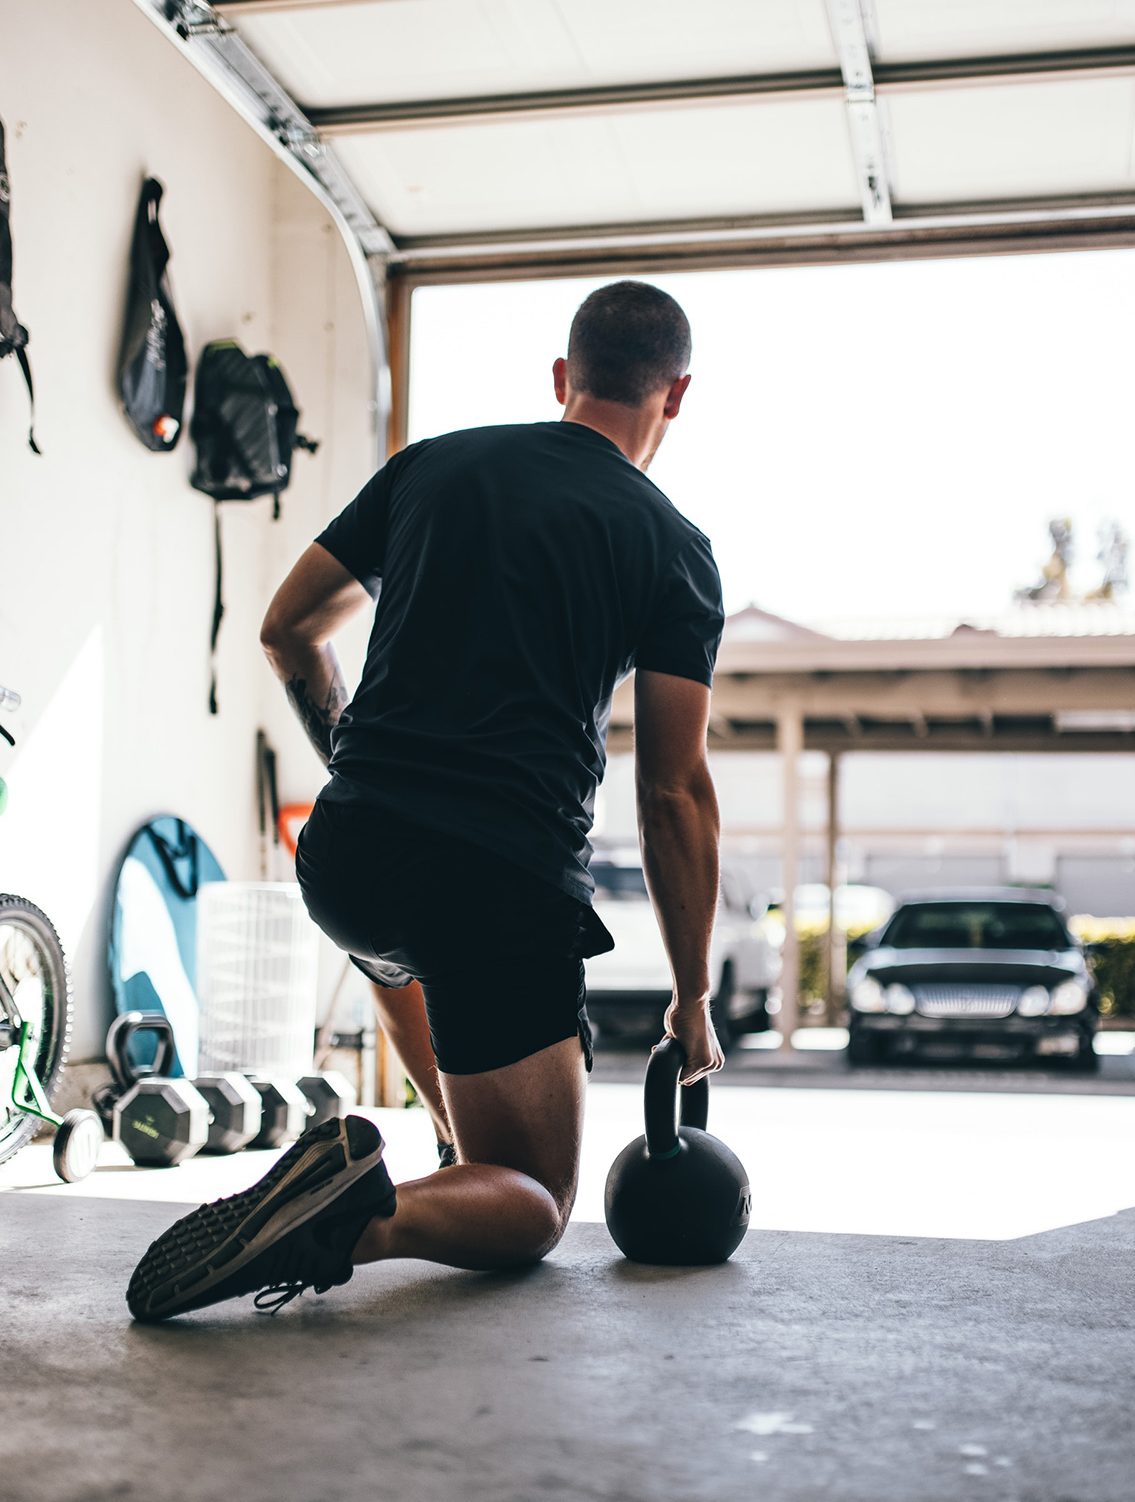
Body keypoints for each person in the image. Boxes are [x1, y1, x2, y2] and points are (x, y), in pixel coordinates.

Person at [126, 280, 725, 1323]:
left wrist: (352, 755)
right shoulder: (670, 545)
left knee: (402, 939)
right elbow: (672, 791)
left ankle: (453, 1151)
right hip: (496, 882)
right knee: (537, 1203)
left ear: (561, 378)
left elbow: (287, 628)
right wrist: (692, 998)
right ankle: (368, 1214)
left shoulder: (431, 466)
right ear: (676, 395)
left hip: (350, 855)